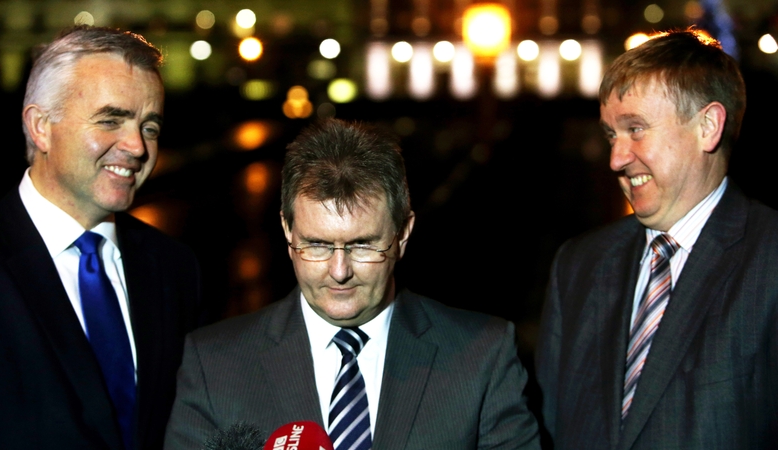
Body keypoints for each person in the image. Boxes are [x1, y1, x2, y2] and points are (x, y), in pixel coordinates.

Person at [164, 119, 540, 449]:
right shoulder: (213, 365)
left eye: (362, 245)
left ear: (402, 234)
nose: (339, 271)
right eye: (317, 245)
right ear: (287, 229)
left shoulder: (484, 356)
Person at [536, 29, 778, 449]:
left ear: (708, 126)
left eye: (636, 129)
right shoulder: (579, 264)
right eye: (611, 135)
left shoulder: (769, 259)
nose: (616, 158)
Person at [0, 26, 202, 450]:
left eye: (149, 127)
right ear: (41, 126)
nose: (137, 147)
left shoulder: (174, 267)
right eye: (110, 120)